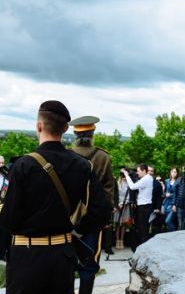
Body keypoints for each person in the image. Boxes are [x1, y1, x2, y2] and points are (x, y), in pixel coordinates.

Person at [0, 100, 110, 294]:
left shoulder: (23, 165)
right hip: (63, 255)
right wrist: (76, 231)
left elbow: (7, 219)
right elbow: (101, 212)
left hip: (27, 255)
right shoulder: (82, 165)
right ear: (66, 128)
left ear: (39, 126)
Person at [70, 115, 115, 294]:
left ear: (75, 134)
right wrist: (105, 216)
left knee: (67, 261)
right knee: (89, 265)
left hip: (67, 220)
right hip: (93, 220)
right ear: (92, 134)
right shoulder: (102, 157)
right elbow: (108, 190)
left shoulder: (66, 155)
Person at [121, 164, 153, 245]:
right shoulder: (148, 178)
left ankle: (143, 249)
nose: (137, 173)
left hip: (144, 207)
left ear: (144, 171)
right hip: (145, 206)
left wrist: (127, 175)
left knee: (142, 229)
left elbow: (132, 186)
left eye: (138, 171)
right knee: (143, 229)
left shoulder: (146, 179)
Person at [113, 173, 131, 248]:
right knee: (117, 224)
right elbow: (115, 194)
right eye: (122, 176)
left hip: (125, 205)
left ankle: (122, 241)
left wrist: (125, 203)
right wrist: (118, 204)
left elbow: (129, 195)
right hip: (118, 205)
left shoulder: (129, 184)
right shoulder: (117, 183)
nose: (124, 178)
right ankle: (117, 241)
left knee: (123, 224)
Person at [162, 167, 179, 232]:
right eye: (172, 171)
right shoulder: (167, 181)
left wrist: (170, 195)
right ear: (170, 172)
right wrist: (164, 192)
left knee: (168, 221)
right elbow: (164, 192)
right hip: (166, 203)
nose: (174, 173)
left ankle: (174, 233)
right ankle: (170, 236)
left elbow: (179, 194)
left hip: (174, 203)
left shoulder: (178, 182)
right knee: (167, 222)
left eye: (175, 172)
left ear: (177, 173)